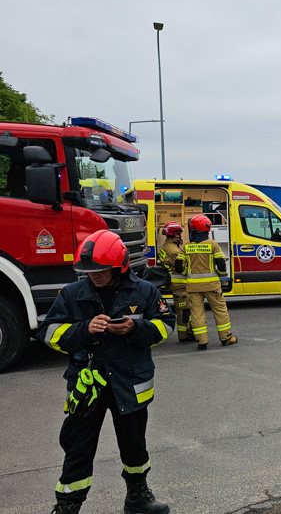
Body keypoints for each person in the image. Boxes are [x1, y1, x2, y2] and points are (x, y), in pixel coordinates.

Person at [37, 230, 175, 514]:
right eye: (88, 271)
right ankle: (67, 506)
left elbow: (165, 325)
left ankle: (138, 497)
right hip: (88, 387)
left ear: (119, 265)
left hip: (130, 382)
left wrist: (136, 328)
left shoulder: (145, 292)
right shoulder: (73, 294)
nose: (94, 276)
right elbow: (47, 332)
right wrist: (83, 330)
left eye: (99, 270)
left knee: (134, 446)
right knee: (78, 450)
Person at [176, 214, 237, 350]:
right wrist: (221, 274)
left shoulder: (186, 246)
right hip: (212, 286)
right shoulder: (212, 244)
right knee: (220, 311)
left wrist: (188, 274)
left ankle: (201, 341)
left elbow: (179, 266)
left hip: (193, 287)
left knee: (197, 313)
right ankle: (226, 338)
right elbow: (221, 264)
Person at [158, 221, 192, 342]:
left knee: (185, 310)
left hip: (178, 285)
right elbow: (183, 269)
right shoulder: (174, 251)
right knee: (183, 312)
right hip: (180, 285)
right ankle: (183, 335)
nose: (180, 236)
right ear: (175, 235)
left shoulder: (168, 247)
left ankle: (187, 332)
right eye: (179, 234)